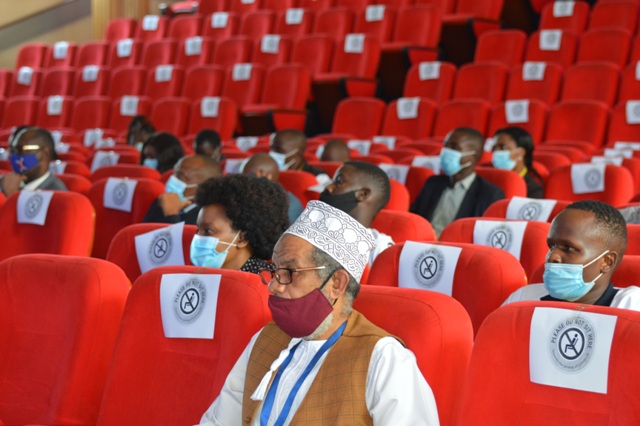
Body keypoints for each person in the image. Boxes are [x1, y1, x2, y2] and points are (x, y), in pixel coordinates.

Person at [199, 201, 439, 425]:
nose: (273, 286)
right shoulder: (265, 338)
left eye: (290, 272)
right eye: (275, 271)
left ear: (336, 283)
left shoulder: (383, 358)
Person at [503, 200, 640, 309]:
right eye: (552, 246)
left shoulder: (630, 307)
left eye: (569, 248)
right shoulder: (523, 300)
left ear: (607, 262)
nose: (552, 257)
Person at [410, 127, 505, 237]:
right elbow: (414, 220)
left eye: (454, 147)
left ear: (474, 157)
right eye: (446, 145)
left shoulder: (490, 194)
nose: (446, 151)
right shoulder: (432, 183)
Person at [190, 174, 290, 273]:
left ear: (242, 238)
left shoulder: (267, 280)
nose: (197, 237)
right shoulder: (197, 276)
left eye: (208, 231)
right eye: (198, 230)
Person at [320, 161, 394, 266]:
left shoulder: (379, 249)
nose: (328, 187)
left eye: (339, 182)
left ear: (362, 194)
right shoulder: (312, 227)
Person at [142, 155, 221, 225]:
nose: (172, 180)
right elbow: (143, 232)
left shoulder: (208, 217)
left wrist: (171, 214)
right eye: (174, 174)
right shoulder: (162, 202)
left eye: (180, 177)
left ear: (204, 186)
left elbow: (182, 237)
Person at [0, 127, 67, 197]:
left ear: (44, 153)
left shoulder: (57, 193)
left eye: (20, 149)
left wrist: (11, 195)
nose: (12, 156)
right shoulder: (6, 183)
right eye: (12, 150)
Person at [241, 153, 303, 223]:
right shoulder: (245, 197)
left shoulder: (289, 205)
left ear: (265, 177)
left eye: (248, 178)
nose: (244, 182)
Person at [491, 127, 543, 199]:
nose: (496, 152)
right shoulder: (486, 177)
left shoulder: (532, 189)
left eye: (503, 147)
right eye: (494, 148)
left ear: (521, 153)